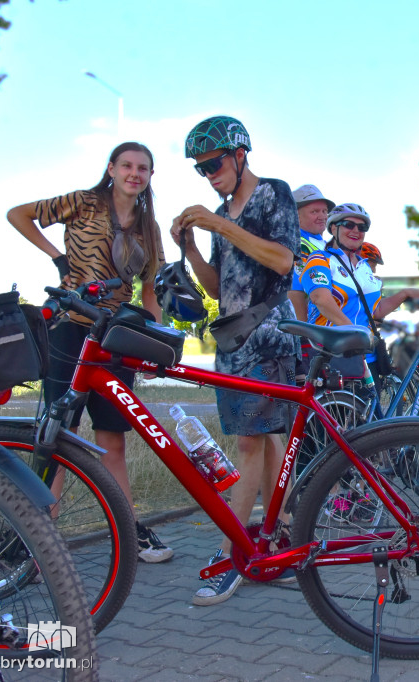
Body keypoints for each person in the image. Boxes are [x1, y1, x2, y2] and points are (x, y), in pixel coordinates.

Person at [6, 141, 173, 564]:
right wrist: (58, 258)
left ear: (150, 176)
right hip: (70, 328)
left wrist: (154, 341)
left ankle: (128, 531)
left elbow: (150, 289)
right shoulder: (83, 202)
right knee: (57, 433)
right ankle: (36, 535)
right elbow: (17, 215)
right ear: (112, 168)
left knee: (112, 438)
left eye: (144, 168)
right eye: (128, 165)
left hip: (117, 335)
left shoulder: (148, 228)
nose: (135, 173)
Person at [171, 115, 300, 605]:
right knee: (263, 443)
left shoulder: (273, 194)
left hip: (267, 335)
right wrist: (190, 245)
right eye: (200, 169)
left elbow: (284, 261)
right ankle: (276, 542)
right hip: (233, 339)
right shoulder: (220, 214)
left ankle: (234, 557)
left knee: (250, 444)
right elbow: (216, 286)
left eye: (214, 163)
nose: (209, 174)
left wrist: (217, 221)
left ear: (241, 154)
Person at [300, 203, 419, 386]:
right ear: (334, 228)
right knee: (335, 412)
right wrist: (355, 333)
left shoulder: (364, 267)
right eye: (349, 224)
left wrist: (404, 293)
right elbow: (321, 299)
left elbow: (376, 311)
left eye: (362, 227)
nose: (356, 230)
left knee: (365, 412)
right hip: (328, 353)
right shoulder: (320, 259)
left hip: (360, 356)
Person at [289, 184, 335, 322]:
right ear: (296, 215)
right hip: (313, 333)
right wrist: (303, 334)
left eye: (324, 211)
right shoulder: (297, 243)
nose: (322, 216)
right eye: (314, 212)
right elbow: (295, 292)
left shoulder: (324, 244)